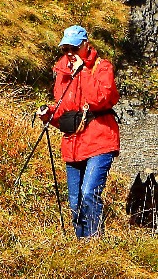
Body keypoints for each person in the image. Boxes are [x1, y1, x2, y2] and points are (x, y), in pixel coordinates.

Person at [39, 25, 120, 238]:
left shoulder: (102, 68)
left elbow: (100, 100)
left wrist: (82, 71)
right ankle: (81, 245)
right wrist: (49, 114)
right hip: (73, 144)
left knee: (89, 194)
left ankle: (94, 244)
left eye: (74, 48)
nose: (69, 53)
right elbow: (65, 111)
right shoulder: (62, 71)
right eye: (65, 48)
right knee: (75, 201)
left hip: (100, 140)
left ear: (85, 45)